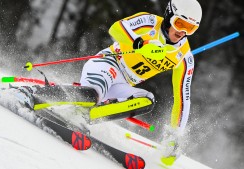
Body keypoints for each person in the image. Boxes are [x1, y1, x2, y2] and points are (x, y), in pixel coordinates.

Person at [79, 0, 202, 165]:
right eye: (179, 23)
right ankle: (71, 102)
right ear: (169, 15)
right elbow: (116, 28)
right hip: (107, 64)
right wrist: (140, 44)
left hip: (123, 85)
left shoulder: (185, 57)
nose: (182, 32)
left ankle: (85, 115)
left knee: (147, 100)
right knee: (93, 94)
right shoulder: (149, 22)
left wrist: (174, 135)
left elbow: (182, 98)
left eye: (190, 28)